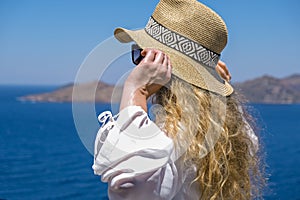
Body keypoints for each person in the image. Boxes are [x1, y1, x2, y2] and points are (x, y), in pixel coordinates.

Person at [93, 0, 265, 199]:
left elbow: (127, 186)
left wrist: (135, 90)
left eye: (143, 57)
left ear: (163, 68)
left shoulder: (170, 141)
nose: (138, 64)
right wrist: (206, 76)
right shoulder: (232, 132)